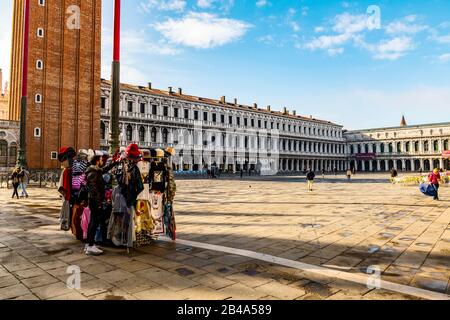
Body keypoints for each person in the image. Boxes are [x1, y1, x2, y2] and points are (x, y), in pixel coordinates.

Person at [84, 150, 119, 256]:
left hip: (95, 200)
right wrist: (99, 202)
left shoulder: (96, 170)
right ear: (96, 161)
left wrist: (115, 162)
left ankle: (89, 243)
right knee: (94, 222)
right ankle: (90, 246)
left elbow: (104, 169)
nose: (102, 161)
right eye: (100, 159)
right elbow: (93, 190)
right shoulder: (92, 172)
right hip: (95, 201)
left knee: (93, 222)